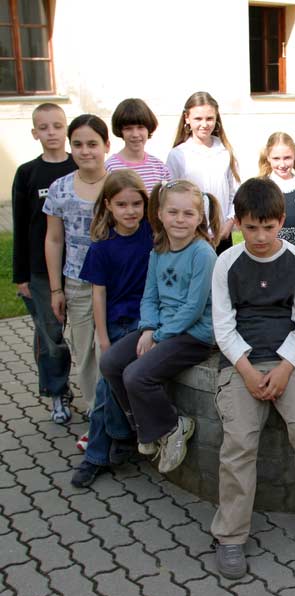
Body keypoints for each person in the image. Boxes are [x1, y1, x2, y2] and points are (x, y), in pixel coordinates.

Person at [210, 178, 295, 580]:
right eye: (251, 228)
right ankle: (230, 536)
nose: (261, 237)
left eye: (268, 227)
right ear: (238, 224)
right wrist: (248, 372)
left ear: (282, 221)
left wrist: (284, 368)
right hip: (243, 363)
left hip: (290, 360)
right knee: (239, 441)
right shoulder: (226, 263)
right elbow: (223, 326)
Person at [99, 180, 220, 475]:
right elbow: (149, 296)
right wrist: (148, 329)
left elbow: (193, 308)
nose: (180, 220)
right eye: (173, 212)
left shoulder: (202, 254)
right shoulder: (158, 251)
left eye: (188, 214)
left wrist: (160, 336)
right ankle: (144, 426)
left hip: (194, 335)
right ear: (160, 214)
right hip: (162, 328)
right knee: (111, 362)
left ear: (199, 218)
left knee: (136, 375)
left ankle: (172, 426)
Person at [71, 170, 153, 487]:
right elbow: (98, 294)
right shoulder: (102, 247)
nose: (130, 211)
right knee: (107, 386)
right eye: (122, 204)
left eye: (136, 204)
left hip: (146, 321)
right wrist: (103, 338)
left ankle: (115, 441)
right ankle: (104, 450)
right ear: (108, 205)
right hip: (117, 324)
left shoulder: (152, 233)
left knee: (111, 386)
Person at [44, 114, 110, 425]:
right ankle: (96, 411)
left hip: (115, 284)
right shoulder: (60, 188)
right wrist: (56, 289)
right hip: (77, 283)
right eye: (78, 144)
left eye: (92, 144)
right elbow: (54, 239)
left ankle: (116, 411)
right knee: (85, 352)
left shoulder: (119, 185)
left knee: (109, 348)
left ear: (106, 145)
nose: (85, 151)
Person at [12, 103, 76, 424]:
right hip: (40, 271)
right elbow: (21, 225)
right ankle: (57, 392)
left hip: (79, 268)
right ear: (34, 133)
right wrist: (21, 275)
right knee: (51, 337)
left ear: (66, 129)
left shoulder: (80, 165)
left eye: (57, 126)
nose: (51, 132)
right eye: (43, 127)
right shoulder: (27, 173)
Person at [166, 91, 239, 253]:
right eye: (198, 119)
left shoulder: (225, 151)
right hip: (190, 236)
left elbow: (234, 191)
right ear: (187, 118)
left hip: (222, 235)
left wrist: (229, 223)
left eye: (209, 118)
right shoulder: (178, 154)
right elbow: (171, 197)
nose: (204, 124)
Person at [257, 132, 295, 263]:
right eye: (276, 158)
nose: (282, 164)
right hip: (270, 252)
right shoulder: (261, 186)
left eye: (287, 158)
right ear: (268, 157)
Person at [105, 98, 171, 193]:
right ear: (120, 131)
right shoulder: (110, 167)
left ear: (149, 128)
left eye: (140, 127)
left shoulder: (160, 168)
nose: (135, 134)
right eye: (128, 128)